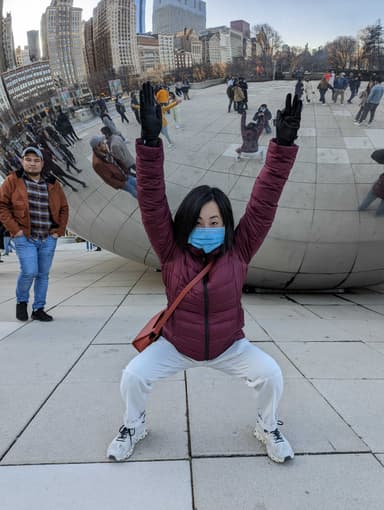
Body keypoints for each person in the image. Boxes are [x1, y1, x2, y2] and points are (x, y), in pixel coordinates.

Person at [106, 82, 302, 464]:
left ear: (226, 223)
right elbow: (150, 199)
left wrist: (282, 149)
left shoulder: (239, 249)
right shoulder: (171, 250)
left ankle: (268, 425)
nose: (207, 226)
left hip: (229, 346)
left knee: (271, 375)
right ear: (185, 224)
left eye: (214, 220)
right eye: (198, 220)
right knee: (133, 376)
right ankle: (134, 424)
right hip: (178, 345)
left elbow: (264, 201)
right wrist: (148, 143)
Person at [0, 146, 69, 321]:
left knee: (43, 275)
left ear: (42, 163)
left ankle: (39, 308)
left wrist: (58, 231)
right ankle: (22, 302)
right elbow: (2, 206)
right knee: (29, 271)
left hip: (48, 238)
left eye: (36, 160)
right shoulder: (12, 180)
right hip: (25, 238)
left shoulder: (53, 183)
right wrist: (16, 231)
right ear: (22, 161)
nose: (32, 164)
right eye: (28, 160)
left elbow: (63, 208)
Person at [358, 149, 384, 216]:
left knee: (369, 198)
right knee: (382, 207)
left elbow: (378, 154)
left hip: (378, 187)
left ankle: (361, 208)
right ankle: (378, 214)